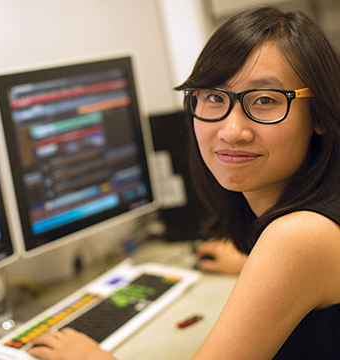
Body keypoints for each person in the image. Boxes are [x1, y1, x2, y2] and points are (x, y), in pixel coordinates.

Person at [28, 6, 340, 360]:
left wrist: (90, 358)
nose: (232, 130)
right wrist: (254, 265)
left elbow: (302, 256)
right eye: (213, 97)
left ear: (319, 115)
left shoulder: (298, 238)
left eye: (265, 100)